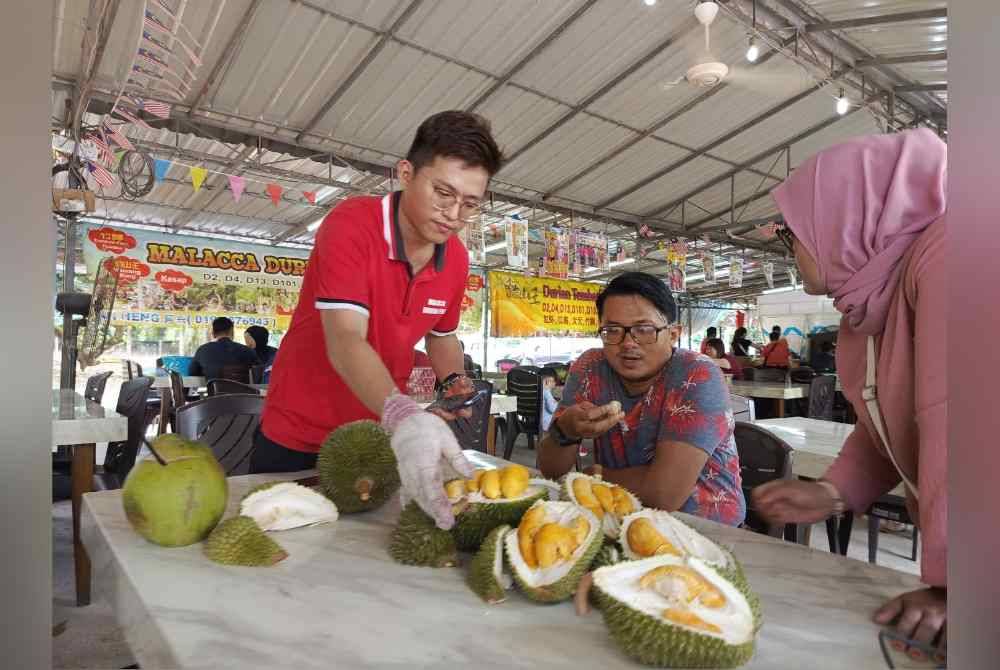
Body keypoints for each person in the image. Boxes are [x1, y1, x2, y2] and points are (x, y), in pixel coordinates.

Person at [252, 111, 504, 531]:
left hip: (377, 440)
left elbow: (442, 336)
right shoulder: (351, 225)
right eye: (443, 192)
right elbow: (346, 338)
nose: (453, 214)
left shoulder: (456, 258)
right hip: (300, 434)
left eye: (470, 204)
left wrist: (455, 388)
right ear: (406, 173)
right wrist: (404, 414)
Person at [754, 128, 947, 655]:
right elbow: (889, 419)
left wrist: (960, 582)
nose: (790, 248)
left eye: (792, 233)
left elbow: (969, 424)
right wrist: (834, 490)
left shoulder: (953, 253)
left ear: (843, 215)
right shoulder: (869, 305)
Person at [537, 272, 745, 526]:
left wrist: (595, 476)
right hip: (617, 518)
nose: (627, 343)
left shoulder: (696, 373)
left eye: (644, 330)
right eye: (613, 330)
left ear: (673, 333)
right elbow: (550, 470)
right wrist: (564, 430)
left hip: (704, 530)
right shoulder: (590, 367)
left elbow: (663, 494)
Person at [189, 317, 260, 379]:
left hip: (215, 393)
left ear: (213, 333)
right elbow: (260, 373)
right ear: (232, 332)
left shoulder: (202, 350)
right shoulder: (248, 351)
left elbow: (192, 373)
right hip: (244, 393)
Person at [539, 368, 559, 433]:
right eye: (554, 381)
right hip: (546, 425)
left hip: (533, 423)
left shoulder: (535, 390)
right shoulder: (546, 392)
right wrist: (557, 404)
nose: (555, 384)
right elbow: (552, 409)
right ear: (547, 381)